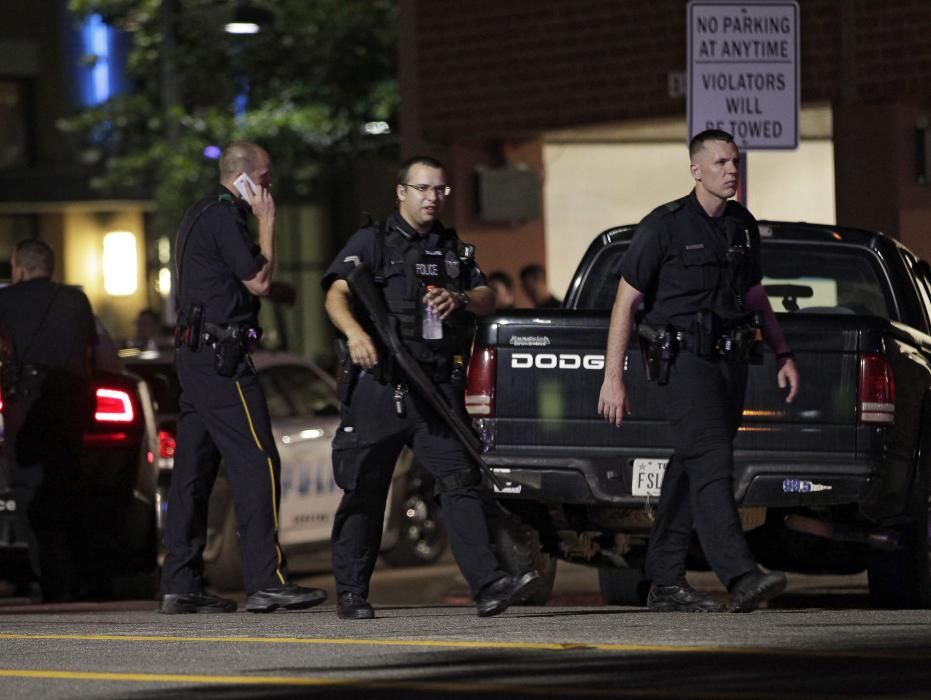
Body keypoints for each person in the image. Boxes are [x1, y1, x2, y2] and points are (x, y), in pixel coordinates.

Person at [322, 155, 541, 619]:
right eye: (422, 189)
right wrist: (356, 335)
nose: (432, 198)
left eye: (439, 190)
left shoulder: (451, 247)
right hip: (381, 385)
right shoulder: (373, 241)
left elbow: (486, 296)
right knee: (366, 486)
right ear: (401, 192)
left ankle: (488, 584)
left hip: (434, 387)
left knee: (460, 480)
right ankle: (353, 592)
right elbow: (336, 294)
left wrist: (458, 297)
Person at [597, 129, 800, 613]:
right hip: (682, 363)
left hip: (729, 362)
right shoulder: (663, 226)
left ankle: (664, 579)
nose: (732, 170)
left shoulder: (742, 225)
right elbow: (626, 301)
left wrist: (783, 352)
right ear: (696, 170)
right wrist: (613, 375)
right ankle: (740, 575)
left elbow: (753, 295)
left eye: (735, 162)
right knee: (711, 461)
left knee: (690, 469)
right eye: (721, 163)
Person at [159, 142, 326, 614]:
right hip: (221, 359)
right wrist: (268, 225)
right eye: (266, 180)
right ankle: (266, 580)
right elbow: (257, 280)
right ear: (246, 179)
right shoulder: (227, 215)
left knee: (194, 470)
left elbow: (229, 279)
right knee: (258, 460)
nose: (270, 190)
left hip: (195, 358)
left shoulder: (200, 213)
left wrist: (282, 291)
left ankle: (181, 581)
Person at [0, 239, 96, 601]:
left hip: (26, 406)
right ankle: (73, 577)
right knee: (68, 489)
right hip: (72, 406)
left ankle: (52, 578)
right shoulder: (75, 300)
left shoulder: (5, 302)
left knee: (29, 494)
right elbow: (95, 350)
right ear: (50, 268)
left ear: (19, 267)